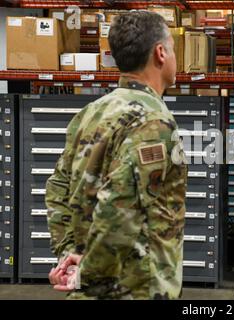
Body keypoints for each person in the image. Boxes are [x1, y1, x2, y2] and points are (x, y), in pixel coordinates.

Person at [45, 11, 188, 299]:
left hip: (91, 285)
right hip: (135, 288)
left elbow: (57, 188)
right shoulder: (154, 122)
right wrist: (89, 272)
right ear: (161, 53)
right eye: (171, 48)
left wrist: (70, 255)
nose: (173, 56)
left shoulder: (90, 113)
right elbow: (120, 207)